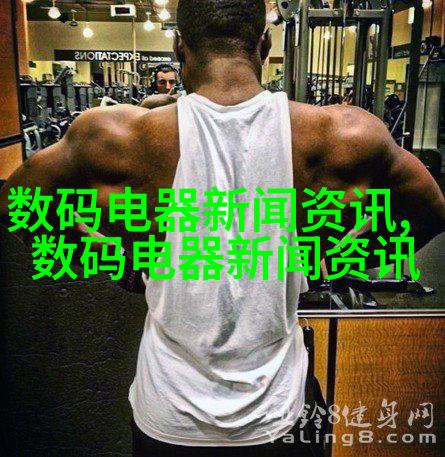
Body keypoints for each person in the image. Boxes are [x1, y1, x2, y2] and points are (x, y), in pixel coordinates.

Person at [0, 0, 444, 456]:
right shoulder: (342, 135)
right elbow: (430, 210)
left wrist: (110, 259)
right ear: (265, 45)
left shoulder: (117, 138)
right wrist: (336, 257)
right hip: (277, 420)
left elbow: (18, 204)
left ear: (179, 48)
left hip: (169, 420)